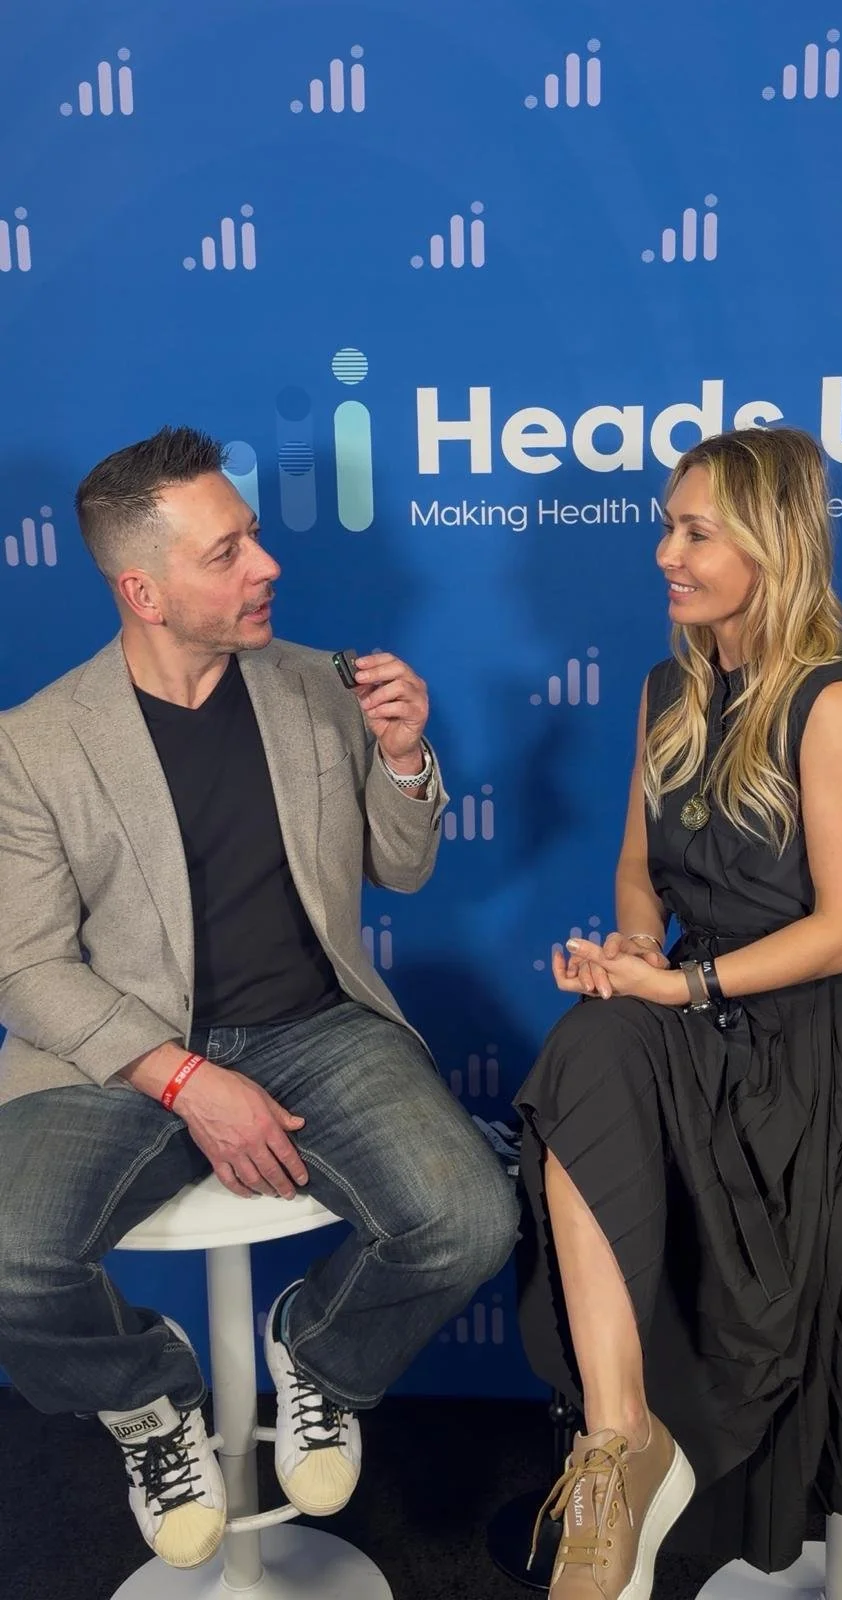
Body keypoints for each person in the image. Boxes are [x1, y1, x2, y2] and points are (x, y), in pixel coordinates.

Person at [0, 426, 518, 1571]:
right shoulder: (34, 745)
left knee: (471, 1217)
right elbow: (26, 967)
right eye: (227, 551)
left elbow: (403, 868)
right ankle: (144, 1403)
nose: (266, 564)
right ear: (143, 588)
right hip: (123, 1055)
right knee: (8, 1255)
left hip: (318, 1025)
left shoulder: (317, 683)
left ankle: (319, 1357)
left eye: (255, 537)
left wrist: (401, 758)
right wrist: (185, 1079)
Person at [514, 427, 842, 1599]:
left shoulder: (833, 702)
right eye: (667, 525)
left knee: (614, 1050)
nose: (665, 551)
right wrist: (634, 955)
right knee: (586, 1050)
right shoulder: (668, 687)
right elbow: (638, 873)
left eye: (695, 530)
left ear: (772, 542)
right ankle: (616, 1444)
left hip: (836, 1029)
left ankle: (671, 1446)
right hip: (701, 1001)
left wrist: (682, 987)